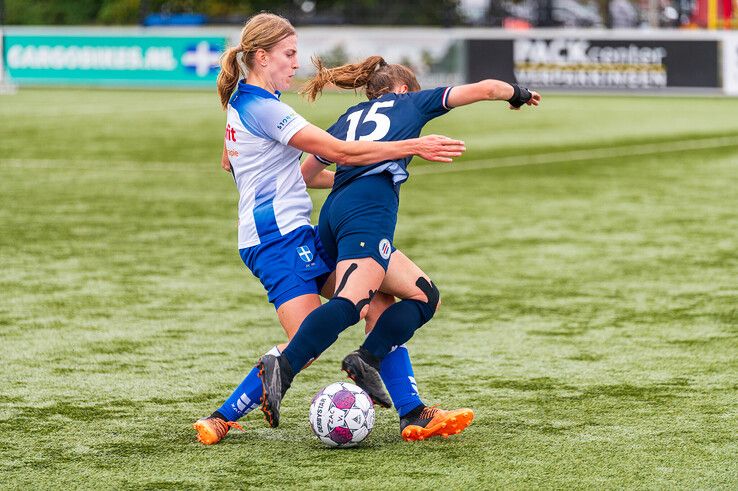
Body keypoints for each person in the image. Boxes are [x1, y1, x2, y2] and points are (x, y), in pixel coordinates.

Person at [192, 13, 465, 445]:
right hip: (275, 240)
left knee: (380, 299)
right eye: (288, 54)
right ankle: (222, 416)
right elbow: (338, 151)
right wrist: (413, 145)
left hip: (299, 231)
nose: (295, 64)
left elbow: (300, 171)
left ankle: (414, 412)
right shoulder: (265, 107)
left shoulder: (247, 102)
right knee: (307, 341)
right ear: (261, 57)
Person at [258, 57, 541, 440]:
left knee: (423, 296)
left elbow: (307, 176)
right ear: (404, 88)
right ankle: (286, 365)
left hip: (335, 213)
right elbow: (488, 87)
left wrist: (350, 177)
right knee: (353, 303)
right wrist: (519, 95)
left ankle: (402, 400)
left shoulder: (348, 117)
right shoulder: (411, 103)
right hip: (368, 213)